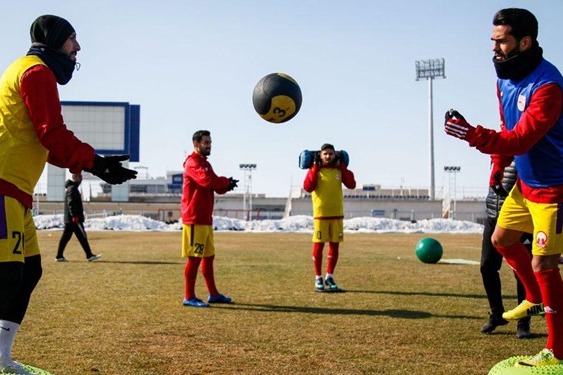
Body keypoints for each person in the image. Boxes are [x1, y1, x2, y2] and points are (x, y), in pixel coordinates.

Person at [0, 15, 137, 374]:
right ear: (55, 40)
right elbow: (52, 133)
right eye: (72, 39)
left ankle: (1, 359)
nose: (78, 48)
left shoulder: (27, 69)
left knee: (28, 272)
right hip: (2, 188)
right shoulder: (35, 72)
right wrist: (97, 163)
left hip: (15, 192)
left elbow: (48, 144)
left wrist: (95, 163)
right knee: (5, 278)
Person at [444, 8, 563, 367]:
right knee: (502, 240)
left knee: (544, 261)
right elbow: (507, 125)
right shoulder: (504, 81)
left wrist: (472, 136)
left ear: (524, 42)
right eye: (492, 40)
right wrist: (497, 167)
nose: (494, 48)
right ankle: (532, 295)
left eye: (501, 41)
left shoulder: (548, 86)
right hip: (525, 185)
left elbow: (522, 138)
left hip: (554, 189)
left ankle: (557, 350)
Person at [181, 130, 238, 308]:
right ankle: (188, 296)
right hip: (194, 218)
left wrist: (227, 184)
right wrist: (223, 182)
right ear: (196, 144)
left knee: (208, 257)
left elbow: (214, 184)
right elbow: (207, 181)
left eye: (210, 142)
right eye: (206, 142)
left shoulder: (205, 163)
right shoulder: (192, 163)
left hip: (205, 218)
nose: (209, 145)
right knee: (194, 258)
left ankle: (213, 294)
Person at [480, 162, 532, 339]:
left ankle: (523, 321)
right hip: (493, 216)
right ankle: (496, 314)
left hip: (518, 220)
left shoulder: (525, 146)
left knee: (521, 272)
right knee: (487, 266)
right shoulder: (497, 150)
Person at [303, 143, 356, 292]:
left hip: (337, 214)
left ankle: (329, 276)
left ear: (335, 155)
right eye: (325, 154)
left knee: (335, 246)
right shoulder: (315, 170)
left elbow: (351, 184)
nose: (328, 156)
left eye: (331, 154)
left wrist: (343, 167)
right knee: (319, 246)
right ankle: (318, 277)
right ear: (320, 155)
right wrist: (314, 168)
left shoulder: (338, 170)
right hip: (321, 215)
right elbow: (308, 187)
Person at [55, 173, 101, 262]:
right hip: (74, 219)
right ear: (74, 177)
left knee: (65, 238)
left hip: (70, 219)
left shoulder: (72, 188)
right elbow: (71, 203)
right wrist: (74, 216)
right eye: (79, 177)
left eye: (81, 177)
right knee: (82, 236)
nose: (81, 179)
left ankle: (59, 256)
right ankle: (89, 255)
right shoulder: (72, 189)